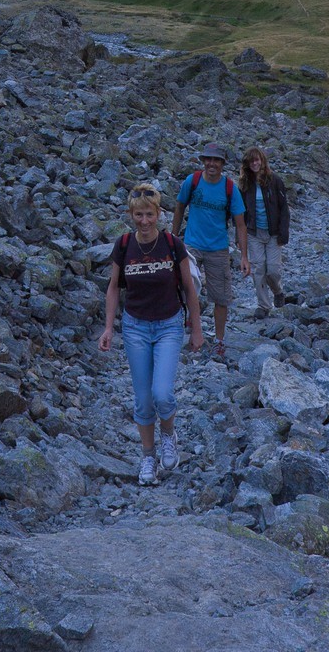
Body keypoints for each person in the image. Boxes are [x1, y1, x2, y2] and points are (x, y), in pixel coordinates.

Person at [99, 183, 202, 485]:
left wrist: (196, 329)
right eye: (138, 215)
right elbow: (113, 288)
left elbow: (189, 289)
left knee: (163, 393)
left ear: (159, 214)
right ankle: (148, 457)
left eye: (149, 215)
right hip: (135, 327)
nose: (144, 221)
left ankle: (168, 434)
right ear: (131, 215)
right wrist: (108, 328)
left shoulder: (172, 243)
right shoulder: (123, 245)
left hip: (170, 325)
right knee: (143, 401)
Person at [171, 144, 249, 364]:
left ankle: (219, 341)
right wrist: (173, 238)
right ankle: (189, 331)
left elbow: (240, 224)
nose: (211, 164)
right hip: (192, 245)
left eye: (216, 160)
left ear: (223, 164)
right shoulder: (192, 181)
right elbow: (179, 207)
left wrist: (244, 256)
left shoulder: (230, 188)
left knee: (220, 296)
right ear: (203, 161)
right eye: (208, 159)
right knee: (185, 289)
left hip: (218, 248)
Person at [239, 146, 290, 317]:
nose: (254, 163)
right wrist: (240, 234)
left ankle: (278, 291)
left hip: (274, 233)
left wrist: (284, 233)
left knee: (273, 271)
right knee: (258, 269)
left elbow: (284, 208)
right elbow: (240, 210)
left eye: (257, 160)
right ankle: (263, 306)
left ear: (262, 160)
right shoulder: (245, 185)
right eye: (251, 161)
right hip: (254, 233)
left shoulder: (275, 181)